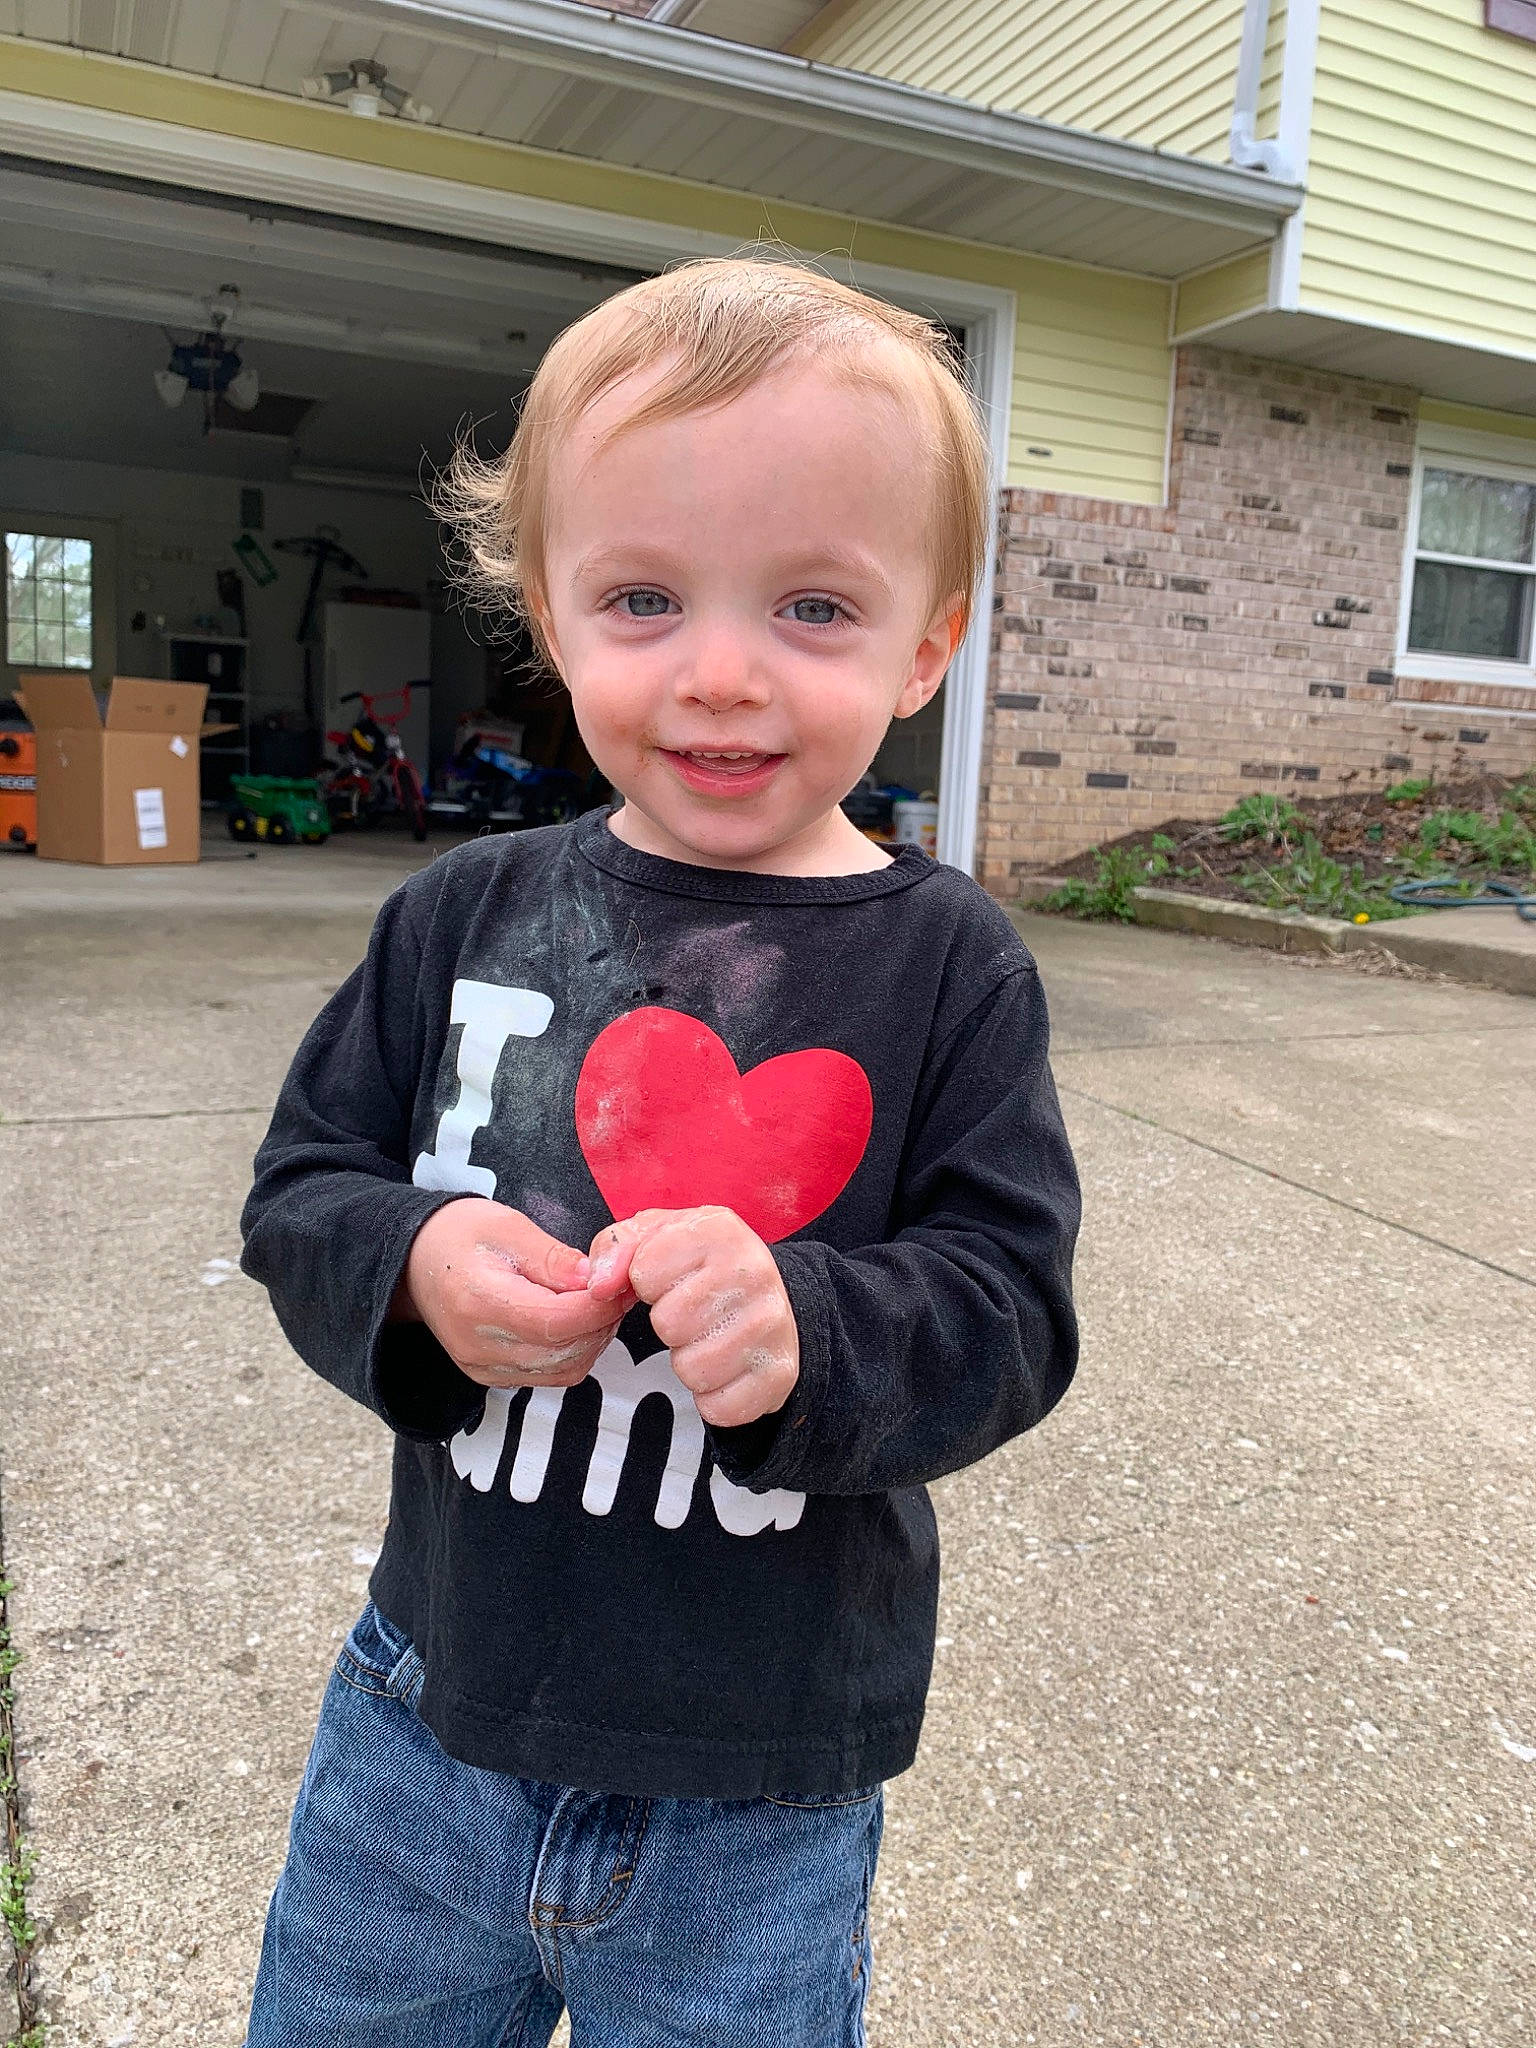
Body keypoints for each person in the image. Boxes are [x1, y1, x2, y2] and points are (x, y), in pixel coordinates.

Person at [239, 254, 1081, 2048]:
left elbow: (1011, 1308)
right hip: (427, 1716)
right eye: (641, 598)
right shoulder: (457, 915)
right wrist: (407, 1264)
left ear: (930, 644)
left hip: (761, 1788)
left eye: (814, 611)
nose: (720, 675)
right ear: (545, 615)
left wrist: (818, 1335)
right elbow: (303, 1189)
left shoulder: (951, 972)